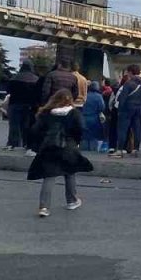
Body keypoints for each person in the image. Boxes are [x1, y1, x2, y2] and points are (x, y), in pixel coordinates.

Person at [25, 89, 93, 217]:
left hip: (49, 146)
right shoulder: (74, 113)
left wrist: (40, 144)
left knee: (49, 176)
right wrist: (76, 141)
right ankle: (72, 200)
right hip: (69, 146)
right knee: (70, 172)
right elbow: (81, 128)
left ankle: (44, 207)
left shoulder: (46, 113)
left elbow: (35, 130)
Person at [112, 65, 141, 157]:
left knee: (122, 129)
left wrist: (119, 110)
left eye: (127, 72)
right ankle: (135, 149)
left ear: (131, 72)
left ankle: (120, 149)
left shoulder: (129, 83)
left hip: (126, 108)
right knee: (137, 129)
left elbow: (123, 98)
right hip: (139, 108)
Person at [5, 63, 39, 151]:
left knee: (14, 125)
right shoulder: (35, 79)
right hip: (29, 105)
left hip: (15, 103)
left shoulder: (14, 78)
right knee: (27, 125)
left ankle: (12, 143)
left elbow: (8, 91)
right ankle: (26, 143)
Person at [81, 80, 106, 153]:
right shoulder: (98, 96)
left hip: (84, 117)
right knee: (94, 135)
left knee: (84, 135)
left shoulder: (85, 95)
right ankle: (93, 150)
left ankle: (84, 149)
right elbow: (102, 107)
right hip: (94, 118)